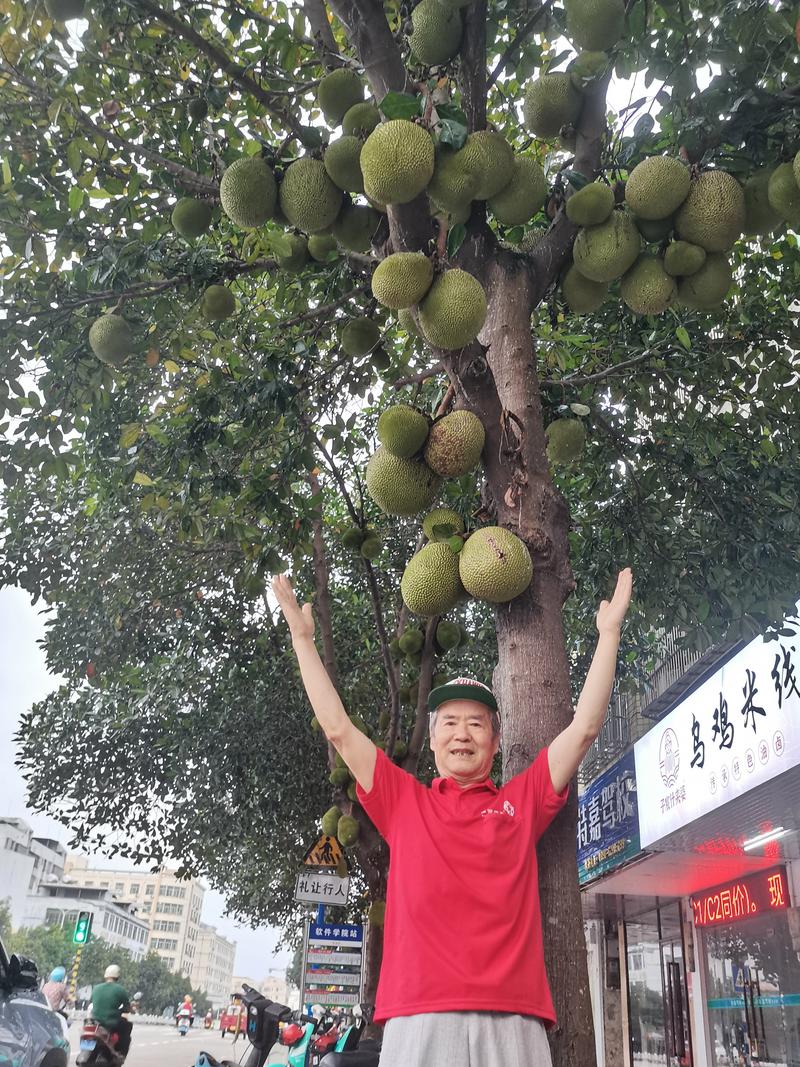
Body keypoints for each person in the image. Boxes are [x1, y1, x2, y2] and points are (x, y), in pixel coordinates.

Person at [272, 567, 633, 1066]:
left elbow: (585, 728)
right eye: (450, 723)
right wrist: (303, 641)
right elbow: (338, 729)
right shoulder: (404, 801)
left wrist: (609, 635)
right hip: (419, 1019)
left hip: (513, 1017)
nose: (462, 734)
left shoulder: (520, 802)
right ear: (435, 736)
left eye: (476, 723)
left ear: (495, 740)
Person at [90, 964, 132, 1059]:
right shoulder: (120, 990)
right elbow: (127, 1008)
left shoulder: (96, 988)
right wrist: (120, 1010)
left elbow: (92, 1002)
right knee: (127, 1026)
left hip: (94, 1021)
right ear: (117, 976)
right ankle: (121, 1053)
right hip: (110, 1023)